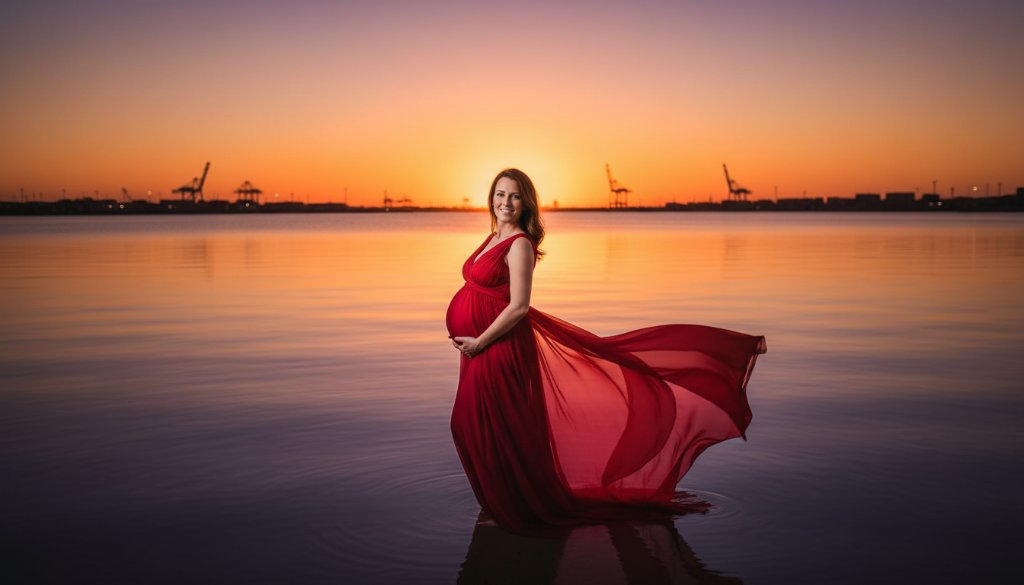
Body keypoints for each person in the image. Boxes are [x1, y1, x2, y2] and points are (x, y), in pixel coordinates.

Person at [446, 168, 766, 534]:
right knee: (474, 426)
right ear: (491, 198)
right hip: (476, 349)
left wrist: (480, 341)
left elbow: (519, 306)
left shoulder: (518, 244)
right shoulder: (492, 237)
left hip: (497, 349)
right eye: (500, 194)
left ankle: (514, 510)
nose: (506, 202)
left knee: (485, 427)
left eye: (515, 196)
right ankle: (502, 504)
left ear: (526, 203)